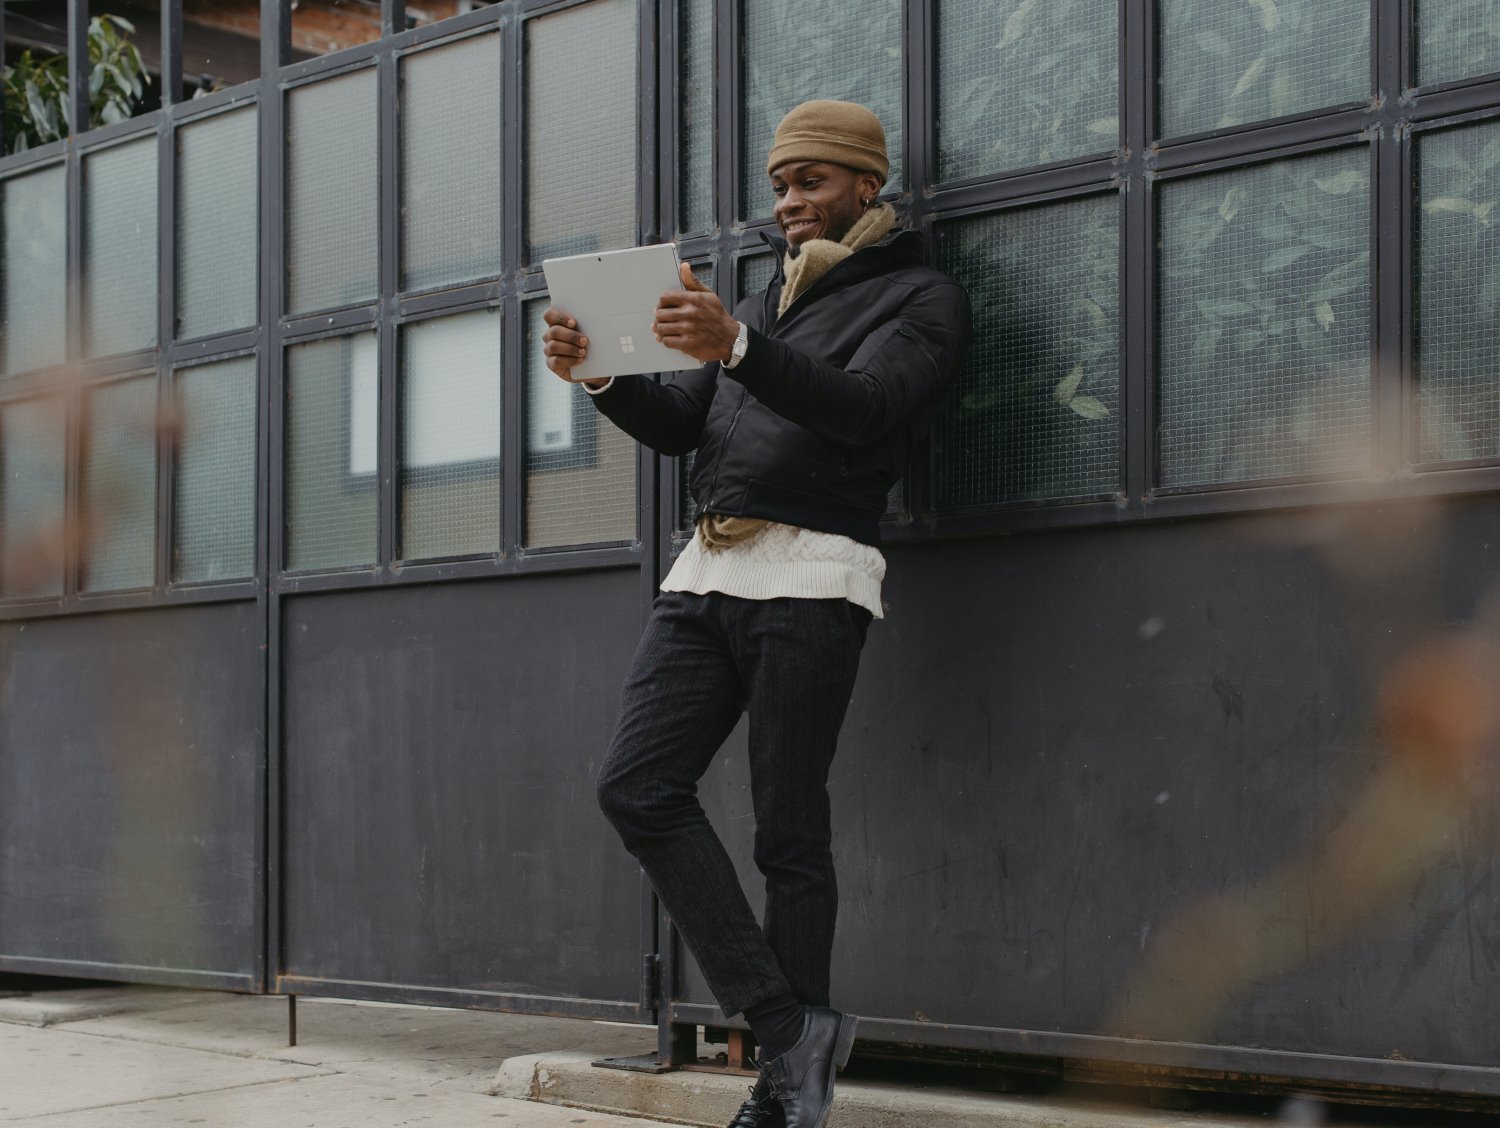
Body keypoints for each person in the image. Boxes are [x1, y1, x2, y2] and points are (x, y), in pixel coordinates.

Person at [543, 99, 972, 1128]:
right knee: (637, 788)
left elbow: (865, 406)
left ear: (868, 186)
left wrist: (737, 344)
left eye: (811, 182)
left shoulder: (923, 299)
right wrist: (600, 371)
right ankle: (789, 1029)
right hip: (710, 572)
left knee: (789, 831)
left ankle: (784, 1096)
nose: (787, 203)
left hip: (814, 573)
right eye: (781, 185)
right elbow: (686, 423)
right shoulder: (764, 301)